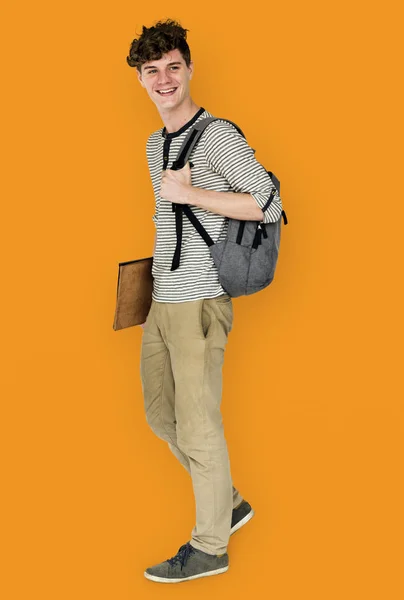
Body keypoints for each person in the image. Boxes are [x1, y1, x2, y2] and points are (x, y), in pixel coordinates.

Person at [126, 18, 282, 584]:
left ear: (189, 69)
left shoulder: (216, 136)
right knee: (159, 416)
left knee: (198, 427)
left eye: (173, 67)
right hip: (162, 304)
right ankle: (231, 503)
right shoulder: (154, 144)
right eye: (152, 71)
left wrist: (187, 191)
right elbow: (173, 221)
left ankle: (211, 545)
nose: (164, 79)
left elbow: (268, 201)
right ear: (141, 80)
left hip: (202, 302)